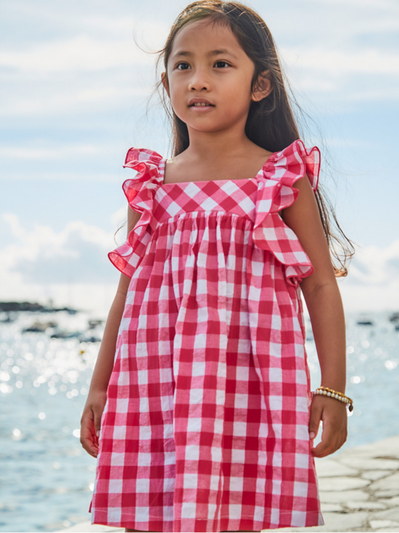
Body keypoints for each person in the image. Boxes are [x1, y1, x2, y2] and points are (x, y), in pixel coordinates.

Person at [80, 1, 354, 531]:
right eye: (183, 65)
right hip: (156, 381)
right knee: (158, 510)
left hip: (250, 381)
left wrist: (333, 388)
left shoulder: (278, 178)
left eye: (220, 64)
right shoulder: (152, 185)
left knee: (241, 512)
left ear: (261, 86)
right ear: (166, 85)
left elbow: (319, 285)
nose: (198, 80)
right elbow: (126, 293)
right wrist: (99, 387)